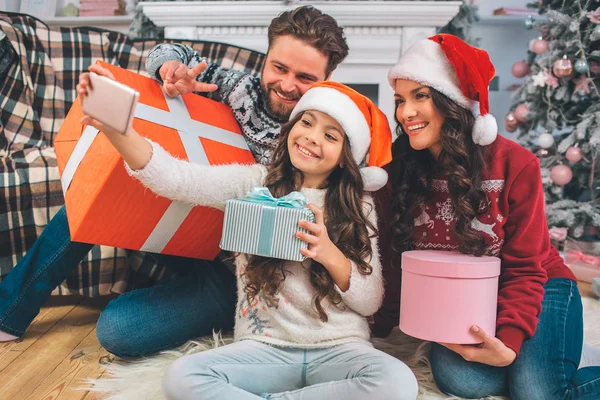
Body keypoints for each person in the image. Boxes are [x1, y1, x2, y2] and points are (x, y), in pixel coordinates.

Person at [0, 5, 348, 358]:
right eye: (279, 68)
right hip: (186, 220)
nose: (287, 85)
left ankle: (215, 314)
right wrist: (171, 69)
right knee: (97, 193)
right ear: (267, 57)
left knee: (117, 330)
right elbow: (172, 53)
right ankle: (7, 313)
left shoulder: (328, 133)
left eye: (305, 78)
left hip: (238, 274)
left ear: (328, 79)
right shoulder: (241, 87)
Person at [79, 64, 417, 400]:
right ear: (292, 127)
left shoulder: (358, 205)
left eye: (331, 135)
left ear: (346, 157)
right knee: (181, 377)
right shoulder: (255, 182)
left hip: (340, 350)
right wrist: (118, 131)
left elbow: (370, 303)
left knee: (398, 382)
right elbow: (176, 178)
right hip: (263, 349)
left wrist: (328, 252)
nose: (313, 137)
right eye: (307, 122)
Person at [373, 33, 600, 399]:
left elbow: (526, 267)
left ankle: (545, 357)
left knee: (535, 393)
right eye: (400, 100)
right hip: (467, 303)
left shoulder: (515, 163)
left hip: (540, 286)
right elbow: (392, 258)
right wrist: (378, 330)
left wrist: (508, 344)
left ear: (454, 101)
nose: (405, 113)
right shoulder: (399, 169)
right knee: (463, 381)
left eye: (420, 96)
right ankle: (553, 358)